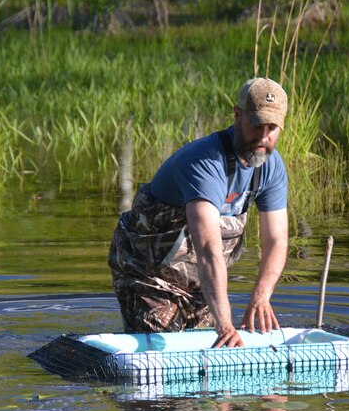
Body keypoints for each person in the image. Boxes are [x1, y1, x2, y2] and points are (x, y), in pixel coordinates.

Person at [108, 77, 289, 348]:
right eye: (256, 125)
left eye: (272, 128)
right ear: (237, 115)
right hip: (148, 275)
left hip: (199, 286)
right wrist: (225, 324)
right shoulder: (205, 163)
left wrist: (261, 297)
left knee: (208, 356)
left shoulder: (271, 168)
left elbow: (276, 241)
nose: (263, 137)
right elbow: (208, 250)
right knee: (163, 355)